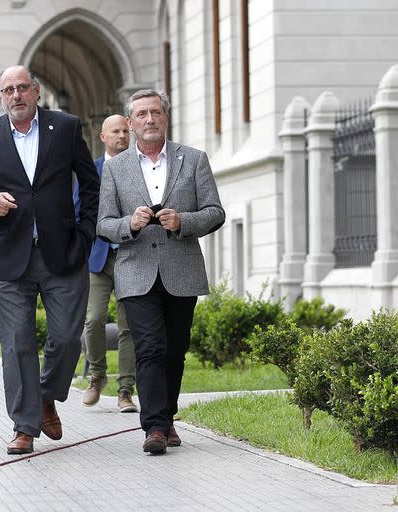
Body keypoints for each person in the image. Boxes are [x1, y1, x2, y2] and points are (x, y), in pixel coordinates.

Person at [0, 65, 99, 455]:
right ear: (0, 96)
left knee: (67, 338)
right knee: (17, 343)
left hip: (64, 253)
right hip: (11, 256)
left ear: (36, 92)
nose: (16, 95)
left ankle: (45, 395)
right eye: (8, 89)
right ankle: (24, 426)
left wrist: (86, 234)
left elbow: (91, 184)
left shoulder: (67, 127)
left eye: (23, 87)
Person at [97, 89, 224, 455]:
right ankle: (154, 426)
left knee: (175, 349)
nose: (149, 119)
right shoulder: (115, 168)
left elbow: (216, 212)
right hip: (136, 271)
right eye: (141, 114)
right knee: (149, 347)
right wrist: (129, 225)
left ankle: (167, 417)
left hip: (181, 269)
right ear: (131, 123)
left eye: (155, 112)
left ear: (165, 117)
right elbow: (102, 223)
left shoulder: (194, 159)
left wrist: (184, 220)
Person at [74, 114, 137, 413]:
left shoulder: (142, 167)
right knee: (94, 318)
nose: (122, 136)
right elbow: (77, 212)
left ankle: (126, 390)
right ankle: (97, 375)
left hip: (132, 255)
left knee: (128, 326)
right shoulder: (92, 170)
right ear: (103, 137)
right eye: (116, 131)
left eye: (126, 131)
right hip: (98, 255)